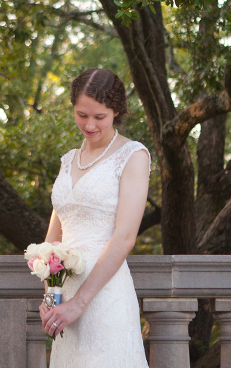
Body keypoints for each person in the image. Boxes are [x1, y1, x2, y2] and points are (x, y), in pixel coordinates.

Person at [39, 68, 151, 367]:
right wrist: (53, 301)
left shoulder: (133, 156)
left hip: (104, 296)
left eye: (99, 117)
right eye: (81, 114)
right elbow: (52, 243)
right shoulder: (67, 160)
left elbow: (125, 237)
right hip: (64, 301)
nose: (89, 125)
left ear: (116, 111)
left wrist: (79, 303)